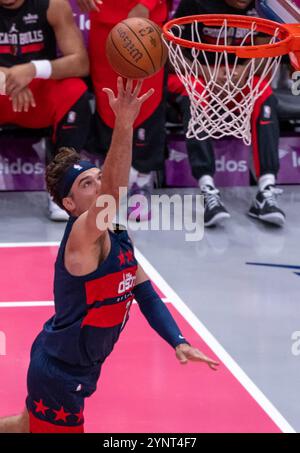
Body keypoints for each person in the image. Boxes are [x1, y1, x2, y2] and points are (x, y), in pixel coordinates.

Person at [0, 77, 219, 433]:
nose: (100, 185)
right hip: (59, 374)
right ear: (69, 204)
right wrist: (125, 123)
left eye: (99, 177)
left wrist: (178, 341)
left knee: (26, 426)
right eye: (88, 184)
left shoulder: (116, 233)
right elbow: (113, 196)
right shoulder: (82, 237)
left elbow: (144, 291)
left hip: (76, 364)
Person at [168, 0, 285, 227]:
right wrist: (205, 71)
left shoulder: (262, 5)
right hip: (199, 75)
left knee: (264, 94)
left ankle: (266, 191)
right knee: (196, 94)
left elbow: (266, 53)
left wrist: (243, 71)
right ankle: (208, 190)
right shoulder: (196, 3)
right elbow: (169, 55)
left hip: (241, 79)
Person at [76, 0, 171, 221]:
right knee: (108, 98)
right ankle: (104, 181)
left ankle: (142, 179)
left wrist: (147, 3)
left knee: (146, 98)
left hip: (145, 16)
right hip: (104, 17)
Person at [0, 0, 92, 221]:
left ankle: (63, 187)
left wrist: (33, 69)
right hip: (2, 89)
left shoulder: (52, 4)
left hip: (37, 93)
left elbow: (81, 62)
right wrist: (9, 78)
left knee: (75, 91)